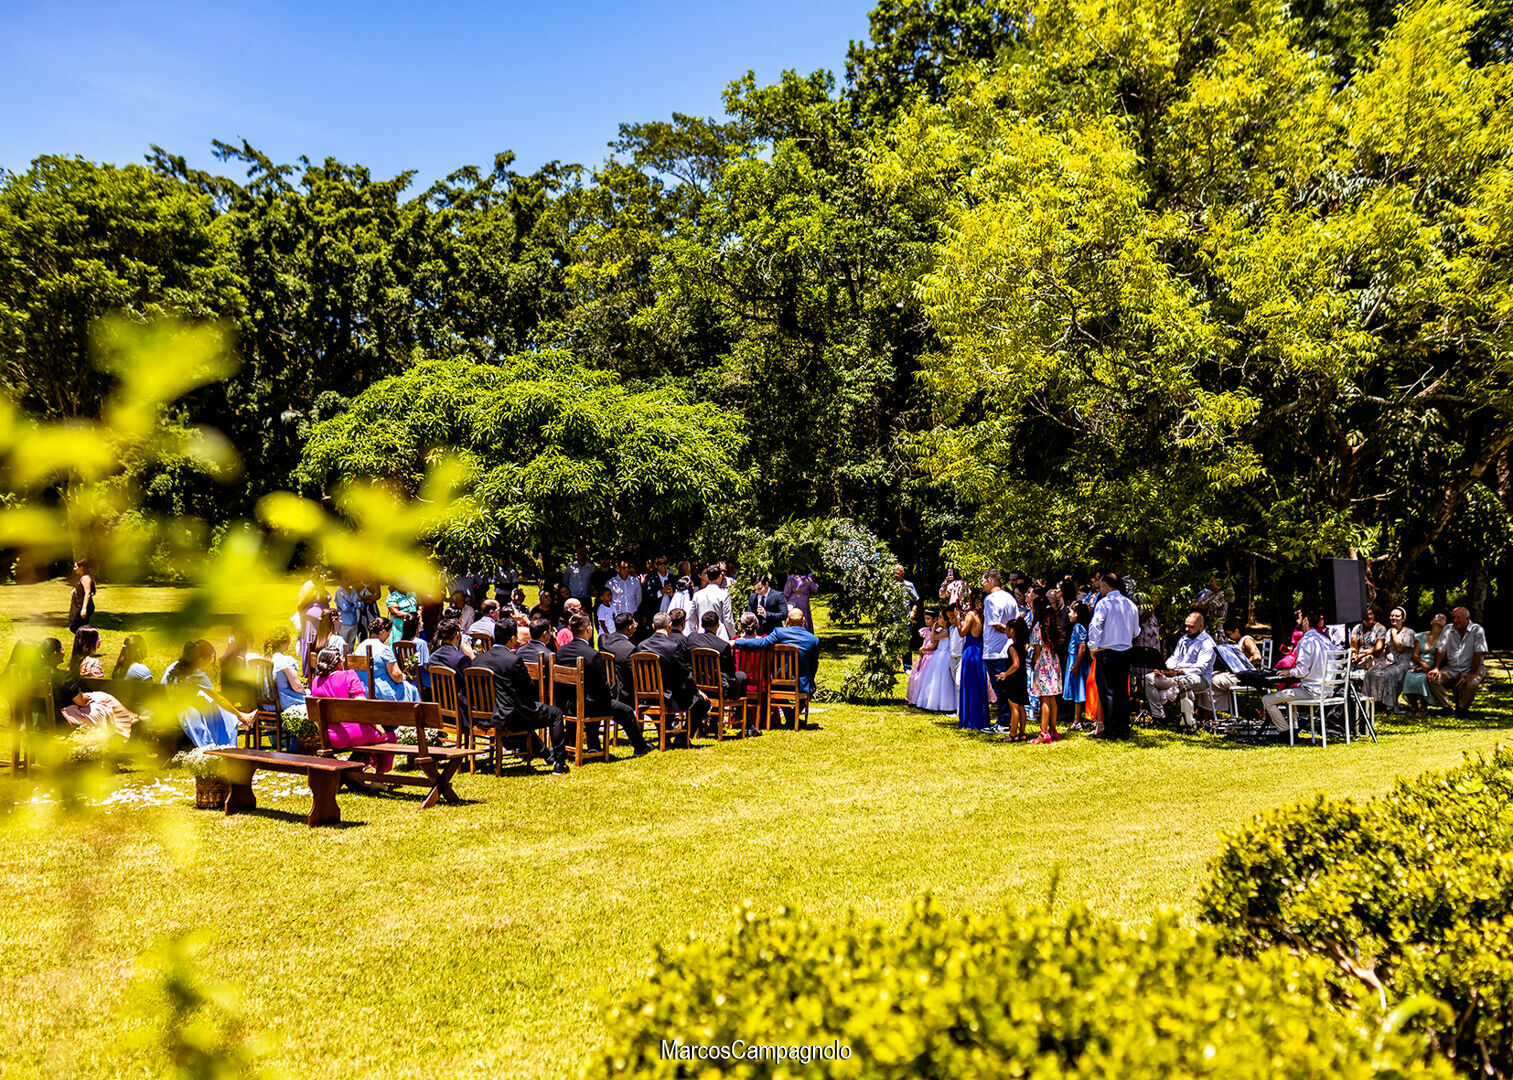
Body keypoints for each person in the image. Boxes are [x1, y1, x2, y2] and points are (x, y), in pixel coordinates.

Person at [471, 635, 571, 773]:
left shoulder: (477, 660)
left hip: (483, 715)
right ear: (512, 638)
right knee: (556, 714)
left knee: (522, 712)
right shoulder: (512, 660)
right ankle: (560, 763)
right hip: (508, 715)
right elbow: (529, 686)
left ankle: (548, 755)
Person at [557, 612, 650, 754]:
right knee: (625, 711)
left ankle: (594, 746)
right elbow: (601, 686)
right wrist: (610, 697)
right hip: (589, 705)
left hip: (567, 704)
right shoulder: (591, 654)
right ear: (589, 629)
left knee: (596, 701)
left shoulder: (561, 652)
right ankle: (641, 747)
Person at [731, 608, 821, 727]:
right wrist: (810, 680)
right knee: (809, 687)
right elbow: (814, 665)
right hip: (802, 684)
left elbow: (761, 643)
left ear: (788, 621)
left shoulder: (780, 632)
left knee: (773, 687)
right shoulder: (813, 640)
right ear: (803, 620)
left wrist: (737, 642)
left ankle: (791, 717)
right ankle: (793, 718)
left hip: (780, 682)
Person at [164, 639, 253, 748]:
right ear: (201, 659)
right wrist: (238, 714)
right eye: (209, 658)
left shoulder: (174, 666)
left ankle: (238, 719)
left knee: (208, 700)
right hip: (182, 709)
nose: (210, 661)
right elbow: (219, 699)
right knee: (213, 701)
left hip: (168, 705)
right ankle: (238, 720)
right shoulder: (197, 674)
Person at [635, 612, 711, 734]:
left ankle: (665, 732)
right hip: (668, 697)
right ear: (669, 626)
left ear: (653, 626)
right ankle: (683, 737)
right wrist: (696, 691)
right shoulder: (673, 646)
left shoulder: (641, 646)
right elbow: (685, 674)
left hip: (646, 697)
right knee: (702, 702)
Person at [1142, 610, 1216, 730]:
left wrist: (1179, 672)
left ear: (1201, 626)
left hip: (1199, 678)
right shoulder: (1184, 639)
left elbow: (1201, 668)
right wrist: (1163, 669)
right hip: (1177, 675)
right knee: (1149, 678)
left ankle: (1186, 721)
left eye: (1191, 627)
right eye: (1186, 626)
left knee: (1184, 682)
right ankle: (1159, 716)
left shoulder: (1207, 643)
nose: (1187, 629)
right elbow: (1175, 658)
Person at [1086, 572, 1138, 739]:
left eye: (1101, 586)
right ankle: (1123, 728)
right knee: (1122, 691)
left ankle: (1111, 729)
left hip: (1107, 651)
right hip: (1125, 651)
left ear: (1106, 586)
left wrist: (1093, 646)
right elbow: (1136, 630)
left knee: (1107, 691)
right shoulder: (1130, 604)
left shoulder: (1104, 603)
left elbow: (1095, 625)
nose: (1100, 589)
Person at [1263, 611, 1332, 733]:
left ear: (1305, 621)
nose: (1298, 622)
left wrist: (1289, 672)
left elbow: (1302, 671)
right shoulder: (1326, 641)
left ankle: (1285, 731)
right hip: (1327, 691)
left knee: (1267, 699)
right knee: (1290, 692)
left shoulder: (1306, 641)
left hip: (1312, 691)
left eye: (1301, 619)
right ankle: (1293, 730)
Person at [1427, 607, 1488, 715]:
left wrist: (1472, 672)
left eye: (1458, 618)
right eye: (1453, 617)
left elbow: (1478, 653)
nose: (1455, 620)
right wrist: (1436, 668)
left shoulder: (1477, 630)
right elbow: (1441, 650)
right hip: (1453, 668)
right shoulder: (1448, 629)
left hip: (1473, 667)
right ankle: (1447, 707)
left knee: (1471, 684)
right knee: (1433, 678)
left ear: (1467, 619)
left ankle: (1462, 709)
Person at [980, 570, 1020, 734]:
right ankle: (1009, 720)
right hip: (1008, 648)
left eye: (983, 581)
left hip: (995, 650)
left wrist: (1009, 632)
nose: (982, 585)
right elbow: (1016, 620)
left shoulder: (991, 599)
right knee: (1006, 687)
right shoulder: (1010, 598)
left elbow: (996, 624)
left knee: (1000, 688)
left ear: (990, 581)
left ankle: (1004, 722)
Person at [686, 609, 751, 704]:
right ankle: (739, 710)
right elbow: (731, 672)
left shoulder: (692, 639)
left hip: (696, 687)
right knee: (742, 675)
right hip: (718, 691)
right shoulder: (723, 646)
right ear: (718, 625)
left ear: (702, 625)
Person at [353, 617, 420, 703]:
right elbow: (396, 675)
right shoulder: (384, 649)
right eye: (389, 632)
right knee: (411, 689)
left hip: (363, 690)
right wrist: (402, 677)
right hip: (383, 692)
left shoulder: (359, 647)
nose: (388, 636)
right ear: (383, 631)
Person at [1366, 607, 1416, 714]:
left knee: (1387, 674)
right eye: (1392, 615)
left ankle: (1389, 706)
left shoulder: (1409, 632)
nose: (1394, 618)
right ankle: (1374, 703)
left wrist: (1394, 634)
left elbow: (1400, 648)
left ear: (1403, 618)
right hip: (1389, 662)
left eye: (1397, 616)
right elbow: (1387, 650)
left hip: (1403, 663)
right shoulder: (1389, 631)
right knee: (1372, 671)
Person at [1028, 596, 1064, 741]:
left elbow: (1037, 650)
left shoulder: (1039, 627)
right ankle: (1053, 730)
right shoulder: (1054, 624)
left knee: (1044, 698)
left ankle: (1043, 733)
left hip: (1043, 664)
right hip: (1054, 662)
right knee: (1052, 697)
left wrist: (1032, 662)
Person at [1402, 613, 1447, 716]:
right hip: (1420, 663)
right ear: (1431, 622)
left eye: (1443, 618)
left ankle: (1423, 706)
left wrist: (1432, 667)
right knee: (1409, 675)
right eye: (1437, 616)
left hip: (1435, 665)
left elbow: (1443, 657)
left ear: (1445, 624)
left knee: (1423, 678)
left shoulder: (1445, 639)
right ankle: (1414, 706)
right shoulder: (1421, 636)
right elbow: (1415, 654)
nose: (1439, 618)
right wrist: (1422, 664)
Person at [958, 592, 990, 730]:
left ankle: (970, 718)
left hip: (970, 650)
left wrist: (958, 620)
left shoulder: (971, 615)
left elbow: (962, 633)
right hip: (979, 650)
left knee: (969, 684)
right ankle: (981, 717)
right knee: (978, 684)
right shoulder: (983, 616)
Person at [915, 610, 957, 714]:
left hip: (945, 655)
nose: (938, 619)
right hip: (939, 654)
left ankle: (946, 704)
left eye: (940, 617)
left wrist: (933, 629)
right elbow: (933, 640)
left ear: (945, 620)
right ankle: (935, 703)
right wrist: (934, 629)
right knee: (935, 680)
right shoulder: (943, 630)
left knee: (944, 680)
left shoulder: (947, 631)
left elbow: (934, 639)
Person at [60, 682, 138, 738]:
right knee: (104, 701)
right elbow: (82, 701)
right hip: (72, 714)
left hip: (65, 712)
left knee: (102, 699)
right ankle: (127, 722)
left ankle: (130, 718)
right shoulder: (65, 680)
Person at [263, 629, 310, 711]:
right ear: (286, 641)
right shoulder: (285, 660)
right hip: (285, 702)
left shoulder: (264, 659)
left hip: (267, 704)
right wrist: (307, 693)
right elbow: (297, 687)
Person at [1062, 601, 1091, 729]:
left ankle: (1076, 721)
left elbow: (1082, 647)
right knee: (1078, 689)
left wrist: (1076, 665)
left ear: (1077, 614)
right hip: (1076, 659)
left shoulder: (1078, 627)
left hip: (1076, 660)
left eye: (1071, 611)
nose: (1069, 614)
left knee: (1079, 690)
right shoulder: (1081, 626)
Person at [600, 612, 639, 707]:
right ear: (629, 628)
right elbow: (634, 674)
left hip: (606, 688)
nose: (637, 624)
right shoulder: (629, 649)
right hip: (624, 694)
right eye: (634, 623)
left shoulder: (603, 640)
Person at [905, 611, 941, 706]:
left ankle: (925, 700)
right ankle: (915, 698)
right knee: (916, 676)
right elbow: (925, 642)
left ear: (935, 619)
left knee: (926, 678)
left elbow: (935, 645)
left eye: (928, 619)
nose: (926, 621)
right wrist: (922, 653)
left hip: (932, 656)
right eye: (925, 619)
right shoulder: (926, 630)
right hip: (925, 655)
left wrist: (925, 649)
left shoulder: (938, 630)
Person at [692, 564, 736, 640]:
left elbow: (692, 618)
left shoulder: (697, 595)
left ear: (707, 577)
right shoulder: (724, 595)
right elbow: (728, 619)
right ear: (720, 576)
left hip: (702, 634)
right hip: (720, 635)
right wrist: (733, 636)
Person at [895, 566, 921, 667]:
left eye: (899, 573)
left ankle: (907, 666)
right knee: (892, 641)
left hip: (905, 618)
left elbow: (916, 600)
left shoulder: (909, 585)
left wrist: (913, 611)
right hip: (892, 617)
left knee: (906, 642)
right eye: (895, 573)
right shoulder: (889, 585)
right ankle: (892, 664)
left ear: (903, 574)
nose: (897, 575)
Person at [1349, 608, 1387, 673]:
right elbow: (1353, 644)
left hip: (1374, 656)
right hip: (1359, 656)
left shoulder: (1380, 628)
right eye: (1366, 615)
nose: (1369, 617)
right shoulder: (1357, 628)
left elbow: (1378, 648)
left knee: (1369, 660)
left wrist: (1362, 655)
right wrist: (1354, 654)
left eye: (1371, 614)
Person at [67, 560, 96, 633]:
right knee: (75, 627)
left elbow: (88, 593)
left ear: (81, 567)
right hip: (78, 605)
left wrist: (84, 608)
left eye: (76, 567)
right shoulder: (81, 577)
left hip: (83, 606)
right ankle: (84, 639)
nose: (74, 569)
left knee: (76, 627)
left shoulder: (86, 578)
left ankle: (89, 638)